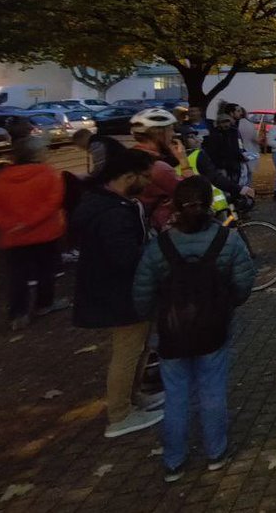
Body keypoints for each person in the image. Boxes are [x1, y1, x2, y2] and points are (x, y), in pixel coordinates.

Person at [132, 176, 255, 482]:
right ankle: (216, 451)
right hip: (213, 326)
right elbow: (243, 281)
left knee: (176, 395)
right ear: (210, 203)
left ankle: (174, 459)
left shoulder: (160, 245)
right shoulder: (227, 240)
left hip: (172, 330)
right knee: (212, 389)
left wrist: (157, 317)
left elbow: (143, 291)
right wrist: (226, 304)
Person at [72, 149, 165, 438]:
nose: (148, 183)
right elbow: (126, 258)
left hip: (121, 291)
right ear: (128, 176)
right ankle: (120, 414)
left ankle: (132, 397)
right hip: (121, 294)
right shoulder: (113, 213)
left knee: (138, 349)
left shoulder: (108, 203)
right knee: (128, 352)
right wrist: (156, 250)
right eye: (145, 177)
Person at [0, 138, 69, 330]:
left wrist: (11, 225)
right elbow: (53, 202)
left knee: (17, 275)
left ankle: (18, 313)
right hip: (44, 232)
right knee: (45, 270)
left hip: (13, 235)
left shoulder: (2, 177)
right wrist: (30, 222)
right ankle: (44, 304)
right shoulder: (47, 173)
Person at [130, 107, 191, 230]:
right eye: (170, 130)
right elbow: (193, 192)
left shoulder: (129, 157)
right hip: (158, 230)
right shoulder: (158, 168)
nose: (173, 135)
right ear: (158, 134)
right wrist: (184, 161)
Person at [203, 112, 245, 188]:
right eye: (222, 122)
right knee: (224, 185)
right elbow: (212, 151)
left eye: (227, 121)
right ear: (218, 123)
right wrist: (219, 165)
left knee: (236, 184)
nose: (225, 124)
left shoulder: (234, 132)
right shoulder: (214, 134)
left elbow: (239, 145)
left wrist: (242, 156)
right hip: (221, 164)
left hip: (234, 163)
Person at [233, 105, 260, 189]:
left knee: (241, 173)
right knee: (249, 173)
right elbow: (255, 138)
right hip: (250, 150)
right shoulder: (250, 124)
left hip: (239, 151)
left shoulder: (235, 125)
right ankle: (247, 190)